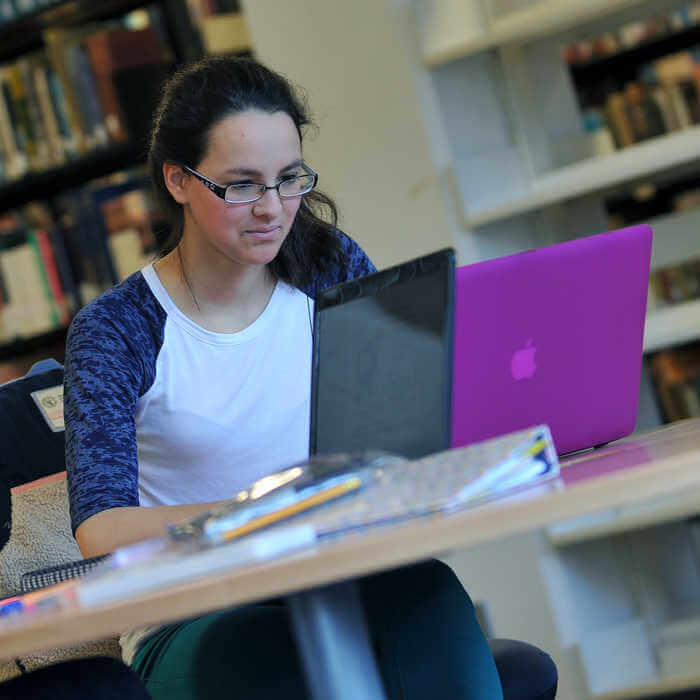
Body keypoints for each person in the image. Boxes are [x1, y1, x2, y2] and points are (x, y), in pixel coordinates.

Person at [64, 56, 505, 699]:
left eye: (289, 179)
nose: (272, 209)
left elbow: (391, 428)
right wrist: (262, 514)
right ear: (178, 182)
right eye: (241, 185)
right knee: (277, 661)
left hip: (339, 570)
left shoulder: (328, 265)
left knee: (429, 593)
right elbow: (99, 528)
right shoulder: (118, 328)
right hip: (195, 614)